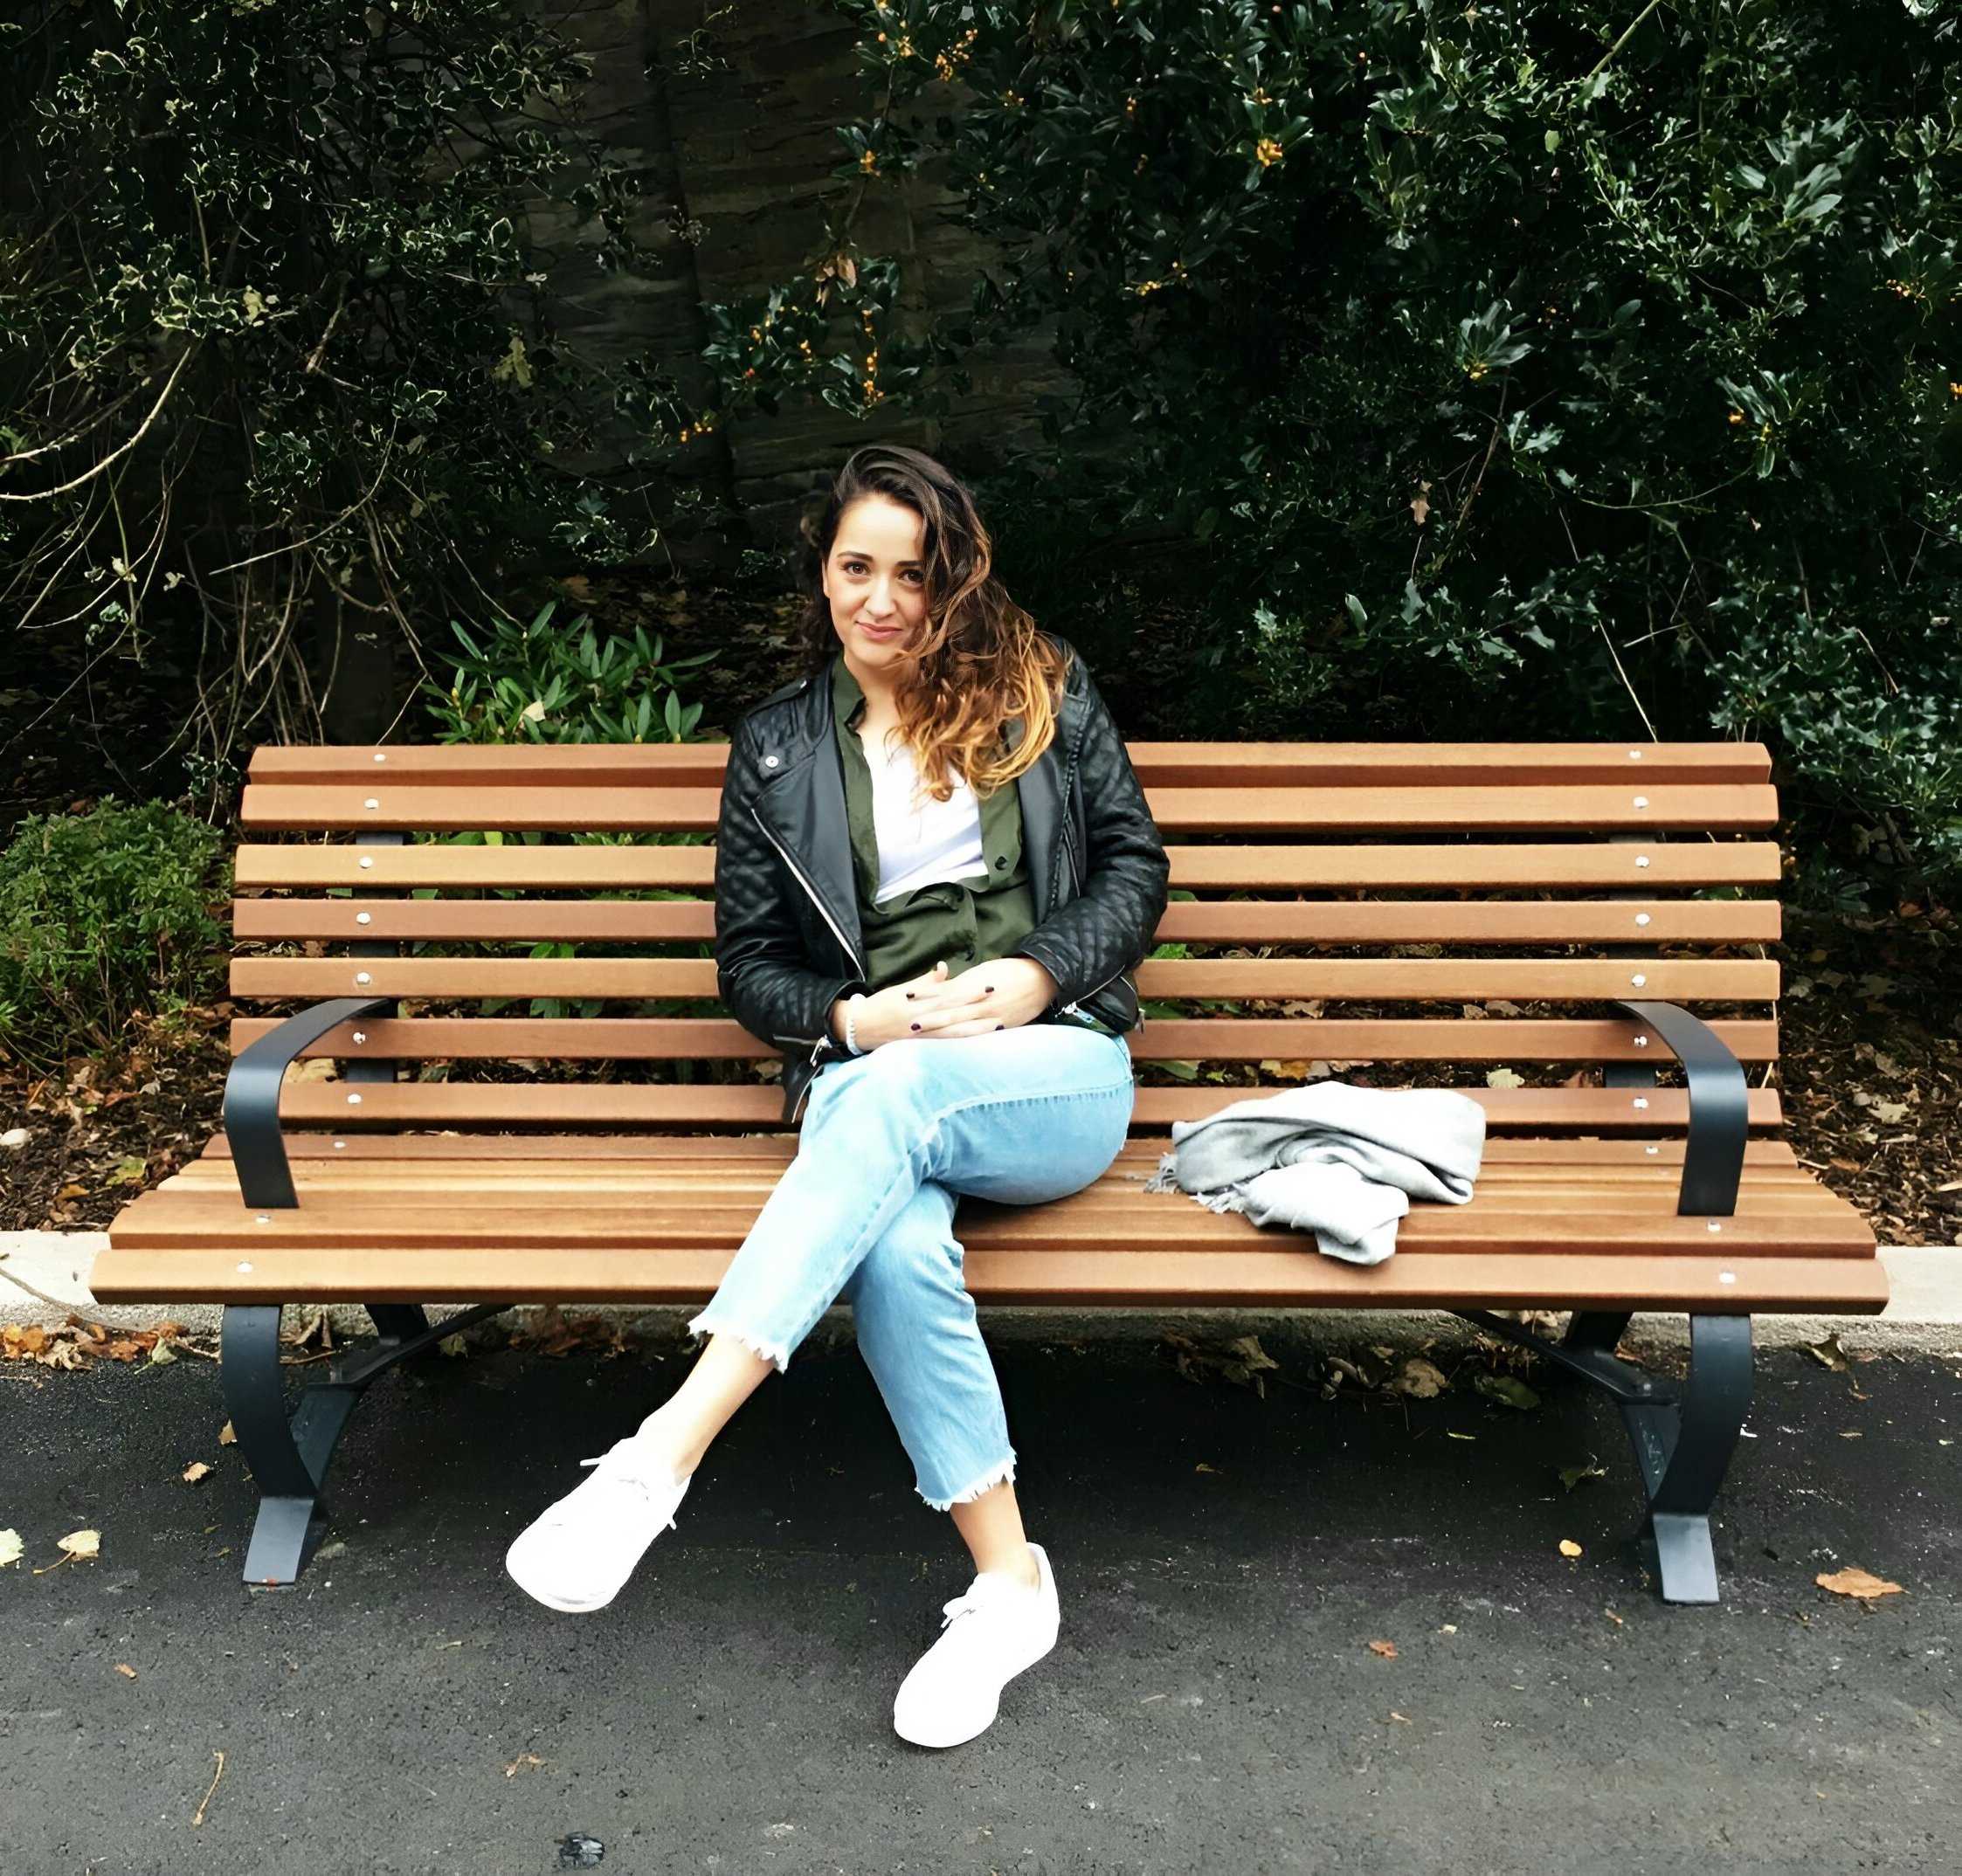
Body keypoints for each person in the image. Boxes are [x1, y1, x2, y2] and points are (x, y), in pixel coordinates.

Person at [506, 443, 1170, 1748]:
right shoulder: (776, 749)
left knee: (890, 1096)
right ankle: (1008, 1585)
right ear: (822, 574)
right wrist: (854, 1018)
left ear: (952, 584)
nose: (882, 600)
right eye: (857, 568)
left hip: (1052, 1069)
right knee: (898, 1242)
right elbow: (751, 965)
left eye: (913, 575)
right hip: (874, 1076)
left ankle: (661, 1455)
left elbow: (1133, 872)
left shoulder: (1041, 691)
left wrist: (1039, 975)